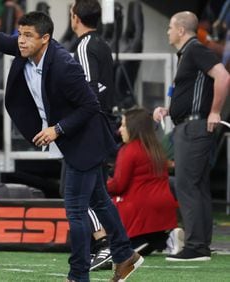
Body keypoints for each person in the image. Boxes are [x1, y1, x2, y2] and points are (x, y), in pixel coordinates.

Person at [0, 2, 142, 281]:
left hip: (85, 140)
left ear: (45, 38)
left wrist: (57, 129)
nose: (21, 40)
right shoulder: (22, 48)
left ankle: (78, 275)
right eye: (20, 34)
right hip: (72, 140)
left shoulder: (65, 64)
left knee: (76, 211)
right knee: (100, 200)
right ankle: (125, 255)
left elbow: (91, 106)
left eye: (28, 35)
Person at [153, 11, 230, 261]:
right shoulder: (187, 53)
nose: (167, 31)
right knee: (197, 187)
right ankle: (201, 244)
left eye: (170, 27)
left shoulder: (196, 49)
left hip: (194, 127)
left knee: (187, 185)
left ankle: (196, 247)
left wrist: (215, 111)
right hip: (188, 125)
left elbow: (223, 76)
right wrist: (169, 109)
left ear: (181, 30)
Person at [69, 0, 117, 270]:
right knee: (94, 190)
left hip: (91, 125)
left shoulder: (86, 45)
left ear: (75, 18)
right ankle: (111, 246)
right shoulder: (102, 44)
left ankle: (104, 244)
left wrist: (70, 122)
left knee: (79, 191)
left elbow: (89, 91)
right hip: (101, 123)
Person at [108, 108, 179, 255]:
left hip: (138, 209)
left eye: (123, 125)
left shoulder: (129, 150)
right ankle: (167, 240)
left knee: (124, 248)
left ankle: (165, 240)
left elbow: (119, 186)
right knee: (148, 242)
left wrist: (100, 185)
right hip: (164, 208)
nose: (120, 130)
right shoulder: (156, 148)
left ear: (134, 127)